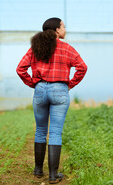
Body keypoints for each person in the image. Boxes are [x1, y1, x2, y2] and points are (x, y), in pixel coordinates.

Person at [16, 17, 87, 184]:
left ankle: (38, 170)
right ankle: (53, 176)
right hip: (60, 90)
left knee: (40, 131)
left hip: (40, 90)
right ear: (57, 30)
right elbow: (82, 67)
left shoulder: (36, 48)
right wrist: (70, 84)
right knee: (55, 133)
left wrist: (33, 82)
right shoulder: (67, 48)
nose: (65, 29)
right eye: (63, 27)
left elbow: (20, 69)